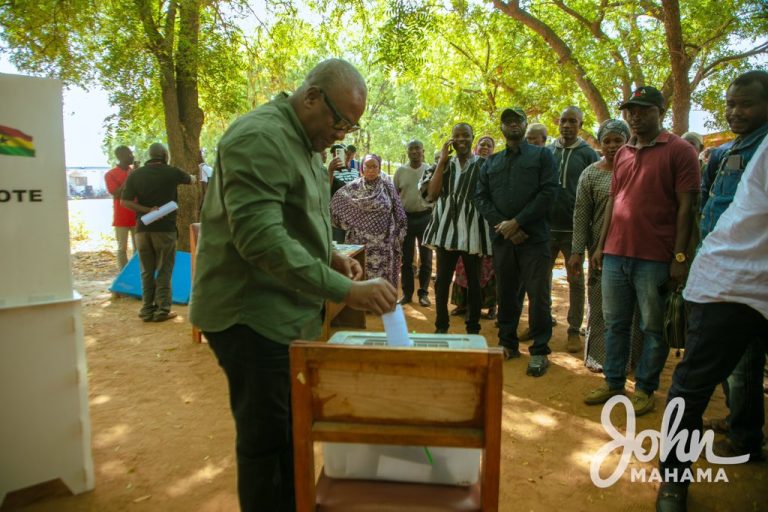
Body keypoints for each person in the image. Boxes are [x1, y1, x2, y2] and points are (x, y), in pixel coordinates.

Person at [188, 58, 397, 512]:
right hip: (250, 318)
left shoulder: (305, 144)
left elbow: (296, 224)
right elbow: (260, 240)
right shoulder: (261, 137)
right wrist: (344, 291)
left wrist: (333, 259)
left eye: (350, 128)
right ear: (311, 97)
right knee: (266, 444)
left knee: (288, 433)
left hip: (284, 314)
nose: (342, 134)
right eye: (340, 121)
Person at [655, 134, 768, 512]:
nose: (735, 111)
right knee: (692, 387)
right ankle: (673, 479)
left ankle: (746, 439)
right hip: (731, 282)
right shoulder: (739, 153)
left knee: (746, 373)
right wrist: (683, 256)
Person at [584, 86, 700, 415]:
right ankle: (614, 381)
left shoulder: (680, 151)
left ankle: (646, 387)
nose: (634, 116)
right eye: (630, 111)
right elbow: (613, 201)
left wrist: (679, 257)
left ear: (660, 112)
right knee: (614, 323)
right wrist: (601, 245)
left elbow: (686, 208)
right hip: (616, 254)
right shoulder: (622, 152)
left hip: (656, 258)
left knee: (652, 326)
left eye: (643, 110)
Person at [695, 71, 768, 458]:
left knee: (744, 363)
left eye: (745, 104)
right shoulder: (730, 150)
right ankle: (740, 421)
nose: (734, 112)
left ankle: (746, 439)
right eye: (730, 104)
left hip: (747, 275)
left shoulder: (763, 149)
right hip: (723, 268)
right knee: (734, 361)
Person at [475, 107, 558, 377]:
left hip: (534, 239)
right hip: (503, 240)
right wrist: (505, 226)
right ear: (501, 127)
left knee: (538, 295)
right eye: (507, 121)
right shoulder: (491, 162)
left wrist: (519, 222)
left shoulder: (543, 155)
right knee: (506, 293)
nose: (512, 125)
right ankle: (507, 343)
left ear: (524, 124)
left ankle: (539, 350)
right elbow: (480, 197)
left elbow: (548, 192)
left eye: (517, 121)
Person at [568, 119, 643, 372]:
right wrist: (577, 251)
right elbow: (581, 216)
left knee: (632, 308)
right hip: (601, 253)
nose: (612, 146)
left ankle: (630, 360)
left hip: (635, 249)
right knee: (599, 304)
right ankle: (600, 357)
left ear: (627, 141)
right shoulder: (590, 173)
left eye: (617, 140)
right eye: (607, 141)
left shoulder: (638, 170)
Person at [421, 123, 492, 335]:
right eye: (457, 136)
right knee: (442, 280)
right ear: (451, 140)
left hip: (473, 231)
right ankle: (441, 325)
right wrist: (442, 160)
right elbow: (432, 195)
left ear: (472, 138)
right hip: (446, 231)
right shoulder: (441, 165)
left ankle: (473, 327)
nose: (461, 139)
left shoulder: (484, 165)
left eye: (466, 135)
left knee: (474, 281)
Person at [120, 143, 196, 322]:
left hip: (142, 229)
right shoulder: (171, 172)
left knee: (146, 271)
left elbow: (125, 202)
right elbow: (191, 179)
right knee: (164, 269)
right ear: (164, 155)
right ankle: (162, 310)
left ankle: (146, 310)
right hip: (164, 229)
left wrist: (147, 210)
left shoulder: (135, 174)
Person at [547, 106, 599, 353]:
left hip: (575, 231)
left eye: (572, 121)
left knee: (576, 281)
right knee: (540, 279)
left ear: (580, 124)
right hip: (546, 229)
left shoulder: (589, 155)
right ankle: (543, 324)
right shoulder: (548, 151)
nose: (567, 125)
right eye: (563, 120)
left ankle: (573, 330)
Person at [331, 153, 408, 286]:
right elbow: (335, 207)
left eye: (375, 166)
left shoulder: (387, 187)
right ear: (362, 168)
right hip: (360, 244)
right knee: (361, 279)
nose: (371, 170)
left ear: (379, 168)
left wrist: (397, 237)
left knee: (382, 282)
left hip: (384, 245)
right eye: (368, 166)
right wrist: (349, 223)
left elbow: (399, 214)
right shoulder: (352, 188)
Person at [450, 135, 497, 319]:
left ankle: (491, 306)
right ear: (476, 147)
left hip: (489, 223)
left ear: (493, 149)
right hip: (467, 224)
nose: (485, 147)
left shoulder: (495, 167)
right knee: (464, 266)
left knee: (489, 268)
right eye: (482, 144)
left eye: (489, 145)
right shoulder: (469, 165)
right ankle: (463, 304)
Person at [393, 139, 433, 306]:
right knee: (406, 259)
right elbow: (395, 195)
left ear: (423, 151)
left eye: (418, 148)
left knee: (426, 257)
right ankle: (407, 294)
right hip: (406, 219)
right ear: (407, 152)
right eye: (411, 149)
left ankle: (423, 293)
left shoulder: (430, 169)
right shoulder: (400, 171)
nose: (415, 152)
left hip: (426, 217)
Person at [104, 145, 137, 271]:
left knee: (138, 248)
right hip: (121, 217)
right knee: (122, 248)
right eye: (129, 154)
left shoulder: (136, 172)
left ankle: (135, 272)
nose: (132, 156)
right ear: (120, 157)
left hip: (137, 215)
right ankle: (123, 274)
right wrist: (130, 177)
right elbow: (116, 193)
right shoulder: (110, 174)